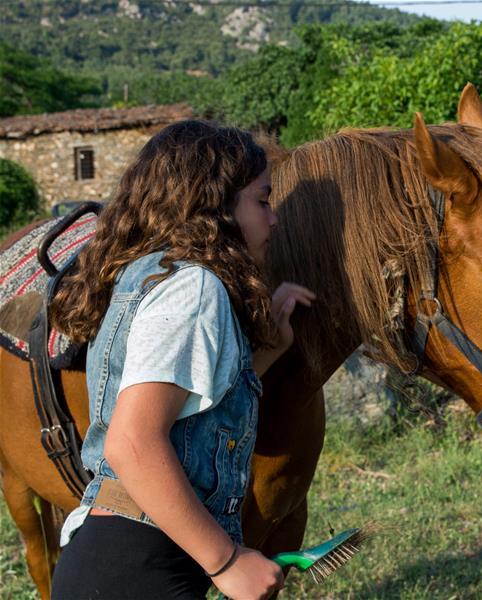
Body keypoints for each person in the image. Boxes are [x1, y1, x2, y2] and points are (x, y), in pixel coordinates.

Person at [49, 120, 315, 600]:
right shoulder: (194, 288)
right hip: (139, 563)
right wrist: (227, 560)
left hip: (123, 557)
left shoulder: (146, 276)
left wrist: (270, 349)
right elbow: (132, 443)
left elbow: (192, 414)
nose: (274, 219)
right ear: (216, 206)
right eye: (262, 200)